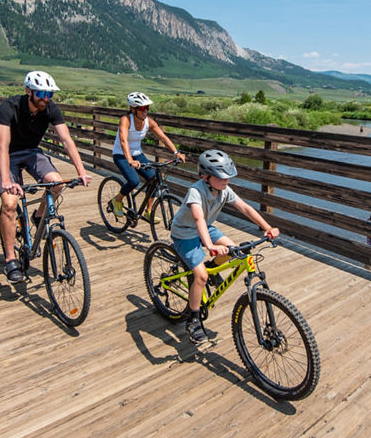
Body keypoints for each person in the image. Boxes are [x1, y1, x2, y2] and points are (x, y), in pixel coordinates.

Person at [0, 70, 92, 284]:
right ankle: (10, 260)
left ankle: (39, 217)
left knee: (56, 183)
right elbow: (2, 145)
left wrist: (81, 171)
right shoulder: (10, 107)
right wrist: (8, 181)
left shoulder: (51, 109)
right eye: (41, 94)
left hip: (32, 152)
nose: (45, 99)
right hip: (8, 154)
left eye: (49, 94)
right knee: (9, 203)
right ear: (29, 91)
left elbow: (66, 141)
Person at [170, 149, 279, 344]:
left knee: (235, 251)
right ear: (205, 176)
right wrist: (210, 245)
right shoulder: (196, 191)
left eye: (228, 177)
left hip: (206, 228)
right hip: (185, 232)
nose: (226, 181)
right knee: (200, 276)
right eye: (221, 178)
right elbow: (198, 218)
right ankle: (193, 319)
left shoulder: (224, 190)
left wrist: (267, 227)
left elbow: (245, 207)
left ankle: (212, 268)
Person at [109, 92, 186, 221]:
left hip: (137, 154)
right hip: (121, 155)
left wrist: (176, 153)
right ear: (133, 109)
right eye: (142, 108)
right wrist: (130, 160)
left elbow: (163, 137)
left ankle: (148, 211)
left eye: (147, 108)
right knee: (134, 181)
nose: (146, 111)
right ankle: (116, 201)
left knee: (154, 180)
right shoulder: (126, 120)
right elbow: (123, 141)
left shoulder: (149, 122)